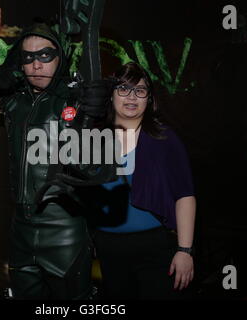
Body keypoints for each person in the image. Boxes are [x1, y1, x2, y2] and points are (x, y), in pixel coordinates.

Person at [0, 23, 114, 299]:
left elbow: (118, 107)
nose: (37, 64)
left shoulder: (77, 97)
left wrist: (101, 106)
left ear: (59, 57)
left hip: (64, 227)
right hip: (21, 227)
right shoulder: (14, 101)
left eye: (45, 55)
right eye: (28, 57)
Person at [91, 62, 196, 299]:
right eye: (124, 89)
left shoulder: (164, 139)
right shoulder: (93, 139)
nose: (132, 96)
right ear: (111, 95)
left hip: (156, 250)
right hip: (108, 250)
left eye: (140, 90)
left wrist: (184, 250)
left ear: (149, 99)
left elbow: (185, 196)